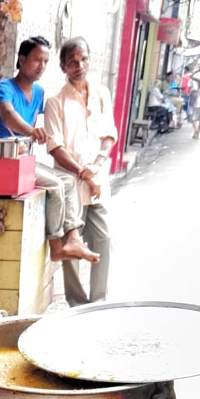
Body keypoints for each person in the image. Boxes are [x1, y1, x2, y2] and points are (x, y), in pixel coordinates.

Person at [0, 35, 98, 265]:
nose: (42, 67)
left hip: (22, 162)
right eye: (37, 60)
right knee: (56, 185)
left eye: (46, 62)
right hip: (0, 161)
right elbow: (9, 115)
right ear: (22, 59)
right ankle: (56, 245)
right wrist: (30, 130)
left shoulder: (38, 93)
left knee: (67, 180)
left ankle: (74, 237)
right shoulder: (3, 87)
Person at [43, 37, 117, 308]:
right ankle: (77, 304)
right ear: (63, 66)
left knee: (104, 239)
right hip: (71, 185)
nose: (79, 65)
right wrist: (84, 172)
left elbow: (109, 134)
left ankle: (98, 302)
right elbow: (55, 148)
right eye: (72, 61)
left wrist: (97, 163)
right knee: (71, 249)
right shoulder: (55, 102)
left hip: (97, 183)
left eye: (83, 59)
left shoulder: (101, 94)